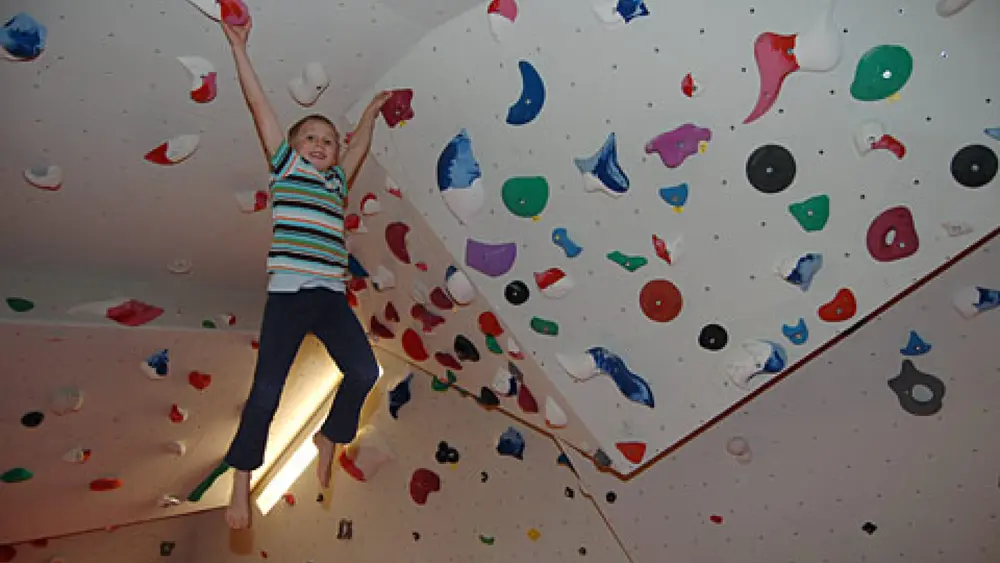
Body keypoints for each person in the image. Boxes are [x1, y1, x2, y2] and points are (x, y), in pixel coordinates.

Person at [219, 16, 392, 530]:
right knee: (267, 391)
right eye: (310, 137)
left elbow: (359, 145)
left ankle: (329, 436)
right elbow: (260, 107)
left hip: (331, 298)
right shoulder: (288, 169)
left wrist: (370, 115)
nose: (322, 144)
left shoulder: (337, 182)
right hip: (290, 297)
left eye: (328, 140)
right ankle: (241, 480)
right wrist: (240, 51)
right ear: (292, 148)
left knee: (365, 372)